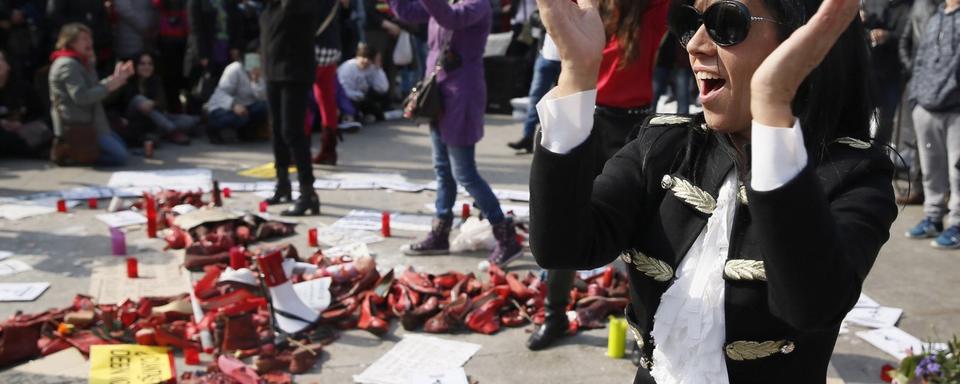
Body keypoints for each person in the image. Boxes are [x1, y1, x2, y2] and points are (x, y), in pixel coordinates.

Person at [532, 0, 896, 382]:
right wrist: (577, 73)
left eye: (726, 23)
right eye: (689, 22)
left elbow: (811, 306)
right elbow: (562, 246)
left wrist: (773, 109)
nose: (695, 45)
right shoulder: (664, 145)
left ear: (802, 37)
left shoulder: (854, 173)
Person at [525, 0, 669, 352]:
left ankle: (646, 328)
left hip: (634, 126)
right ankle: (554, 313)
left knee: (643, 237)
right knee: (566, 218)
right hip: (590, 119)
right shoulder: (588, 11)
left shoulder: (651, 11)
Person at [389, 0, 523, 266]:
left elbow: (449, 18)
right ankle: (440, 234)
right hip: (437, 93)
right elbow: (406, 11)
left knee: (464, 173)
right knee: (442, 169)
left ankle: (506, 237)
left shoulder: (478, 4)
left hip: (463, 93)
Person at [905, 0, 960, 248]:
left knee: (956, 171)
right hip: (925, 106)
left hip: (955, 109)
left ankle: (957, 223)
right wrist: (916, 96)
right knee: (931, 168)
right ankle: (933, 217)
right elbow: (920, 57)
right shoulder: (935, 17)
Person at [260, 0, 321, 216]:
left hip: (295, 72)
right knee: (276, 130)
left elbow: (299, 11)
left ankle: (308, 193)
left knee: (292, 132)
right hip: (272, 71)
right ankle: (282, 183)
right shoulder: (270, 6)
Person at [49, 23, 134, 166]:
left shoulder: (82, 61)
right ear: (71, 42)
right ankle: (73, 156)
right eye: (84, 39)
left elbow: (95, 88)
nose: (89, 42)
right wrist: (110, 85)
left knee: (125, 150)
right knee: (120, 157)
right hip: (79, 125)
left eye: (90, 38)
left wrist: (116, 79)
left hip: (94, 122)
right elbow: (81, 97)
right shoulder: (67, 64)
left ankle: (83, 153)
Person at [895, 0, 942, 205]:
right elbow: (905, 40)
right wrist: (911, 67)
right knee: (917, 141)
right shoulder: (919, 5)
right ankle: (918, 187)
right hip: (918, 84)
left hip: (946, 89)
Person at [862, 0, 912, 147]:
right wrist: (867, 31)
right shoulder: (872, 3)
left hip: (893, 72)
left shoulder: (909, 7)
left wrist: (888, 36)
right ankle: (859, 151)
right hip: (870, 69)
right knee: (862, 112)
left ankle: (877, 153)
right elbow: (857, 29)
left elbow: (909, 38)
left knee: (886, 118)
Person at [122, 52, 198, 145]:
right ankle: (172, 131)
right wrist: (146, 103)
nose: (147, 67)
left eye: (150, 64)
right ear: (135, 65)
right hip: (136, 120)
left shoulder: (155, 80)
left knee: (188, 121)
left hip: (156, 120)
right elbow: (128, 102)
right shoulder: (128, 81)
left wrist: (152, 103)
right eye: (142, 64)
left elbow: (162, 102)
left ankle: (163, 132)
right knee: (138, 99)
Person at [506, 33, 561, 153]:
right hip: (546, 56)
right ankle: (527, 137)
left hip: (568, 59)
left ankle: (556, 143)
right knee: (535, 97)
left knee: (561, 102)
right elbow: (534, 19)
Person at [204, 53, 267, 143]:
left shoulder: (262, 70)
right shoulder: (235, 68)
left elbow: (262, 97)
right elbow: (221, 92)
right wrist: (234, 105)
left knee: (264, 107)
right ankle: (213, 128)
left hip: (246, 106)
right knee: (241, 118)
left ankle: (244, 131)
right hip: (223, 106)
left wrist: (255, 81)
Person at [0, 50, 51, 158]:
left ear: (8, 65)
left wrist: (22, 123)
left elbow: (40, 113)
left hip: (22, 131)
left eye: (1, 60)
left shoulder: (22, 88)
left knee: (43, 130)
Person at [311, 0, 343, 166]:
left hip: (313, 49)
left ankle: (298, 149)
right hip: (331, 48)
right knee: (327, 100)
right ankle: (329, 150)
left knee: (300, 100)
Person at [337, 43, 389, 122]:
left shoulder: (372, 67)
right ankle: (352, 116)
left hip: (363, 98)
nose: (366, 61)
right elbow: (344, 91)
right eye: (363, 57)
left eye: (369, 58)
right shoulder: (348, 68)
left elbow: (383, 88)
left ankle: (371, 114)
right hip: (349, 98)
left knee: (383, 98)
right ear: (357, 56)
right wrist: (361, 96)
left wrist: (378, 68)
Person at [153, 0, 190, 113]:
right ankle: (175, 110)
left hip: (185, 40)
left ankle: (188, 109)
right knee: (169, 80)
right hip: (166, 41)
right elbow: (156, 3)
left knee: (187, 77)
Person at [652, 31, 694, 114]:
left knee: (683, 100)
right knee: (653, 96)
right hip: (662, 61)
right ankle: (644, 122)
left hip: (681, 63)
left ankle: (683, 124)